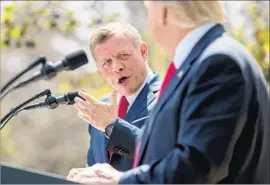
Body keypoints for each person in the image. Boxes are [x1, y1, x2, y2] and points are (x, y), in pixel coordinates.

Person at [68, 1, 269, 184]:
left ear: (163, 11)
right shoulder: (210, 60)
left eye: (148, 9)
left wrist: (121, 182)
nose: (117, 67)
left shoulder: (217, 63)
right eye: (107, 62)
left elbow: (196, 166)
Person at [66, 22, 162, 180]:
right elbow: (98, 165)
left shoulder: (169, 96)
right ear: (99, 70)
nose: (117, 67)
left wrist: (111, 126)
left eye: (123, 55)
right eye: (107, 62)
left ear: (143, 52)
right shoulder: (99, 110)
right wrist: (85, 174)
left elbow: (166, 155)